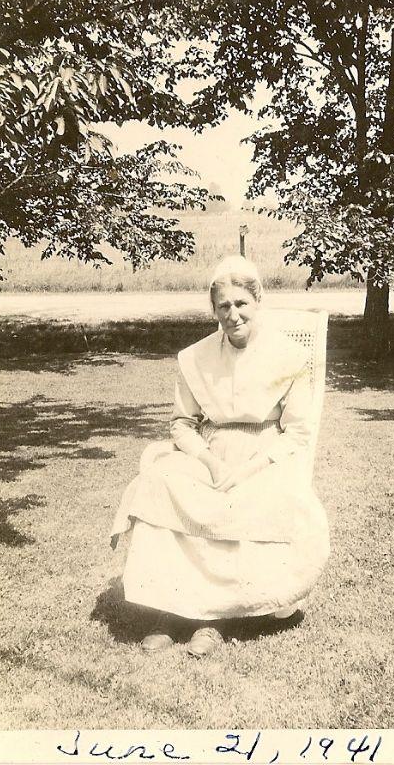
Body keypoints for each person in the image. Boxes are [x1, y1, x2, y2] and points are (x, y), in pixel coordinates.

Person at [110, 256, 329, 657]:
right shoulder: (195, 358)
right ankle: (168, 612)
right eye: (223, 306)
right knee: (159, 484)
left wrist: (247, 468)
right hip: (209, 452)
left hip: (264, 456)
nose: (233, 315)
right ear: (213, 310)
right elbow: (181, 424)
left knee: (235, 500)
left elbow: (297, 431)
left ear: (258, 301)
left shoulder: (291, 356)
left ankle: (213, 620)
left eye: (241, 304)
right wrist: (210, 462)